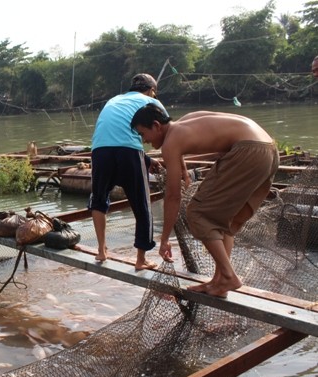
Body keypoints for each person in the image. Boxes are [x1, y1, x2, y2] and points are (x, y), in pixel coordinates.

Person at [130, 104, 279, 298]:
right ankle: (220, 281)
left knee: (197, 212)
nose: (145, 141)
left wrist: (165, 238)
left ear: (156, 125)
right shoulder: (188, 119)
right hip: (268, 149)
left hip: (248, 150)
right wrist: (182, 166)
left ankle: (228, 276)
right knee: (224, 220)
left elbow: (173, 195)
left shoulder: (170, 144)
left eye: (143, 134)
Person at [87, 73, 167, 270]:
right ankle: (141, 260)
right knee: (142, 204)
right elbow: (168, 130)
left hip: (99, 150)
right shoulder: (150, 101)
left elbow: (115, 135)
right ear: (152, 90)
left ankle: (101, 250)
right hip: (129, 151)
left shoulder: (113, 100)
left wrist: (146, 159)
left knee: (98, 199)